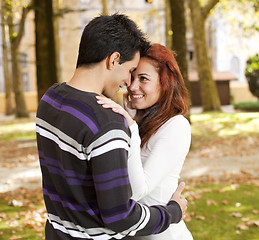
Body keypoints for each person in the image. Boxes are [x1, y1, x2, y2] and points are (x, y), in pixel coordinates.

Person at [35, 14, 187, 239]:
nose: (128, 83)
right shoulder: (107, 124)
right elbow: (121, 218)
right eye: (130, 71)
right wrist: (173, 212)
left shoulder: (50, 99)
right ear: (113, 60)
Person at [96, 43, 193, 240]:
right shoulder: (137, 122)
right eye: (132, 76)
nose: (132, 86)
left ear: (165, 83)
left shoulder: (176, 126)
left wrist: (130, 126)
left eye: (143, 79)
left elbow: (137, 191)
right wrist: (129, 122)